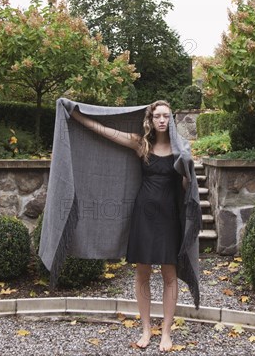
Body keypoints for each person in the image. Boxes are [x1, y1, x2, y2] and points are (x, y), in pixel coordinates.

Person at [70, 100, 189, 352]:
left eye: (166, 116)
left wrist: (187, 176)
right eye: (157, 116)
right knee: (142, 273)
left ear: (171, 119)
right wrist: (76, 115)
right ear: (151, 119)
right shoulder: (141, 143)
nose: (161, 120)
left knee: (169, 275)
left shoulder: (181, 151)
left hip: (169, 217)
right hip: (143, 215)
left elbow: (186, 191)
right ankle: (146, 330)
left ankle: (166, 332)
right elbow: (105, 131)